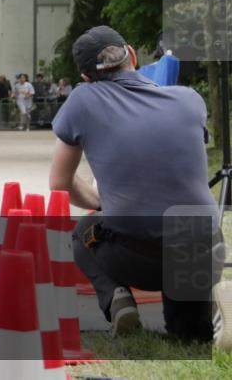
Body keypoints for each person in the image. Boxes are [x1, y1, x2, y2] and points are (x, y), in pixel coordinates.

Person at [49, 25, 220, 342]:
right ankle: (199, 317)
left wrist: (101, 204)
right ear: (131, 54)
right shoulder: (190, 99)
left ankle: (118, 299)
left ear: (86, 77)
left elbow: (60, 183)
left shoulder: (83, 98)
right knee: (192, 337)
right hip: (199, 248)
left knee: (82, 233)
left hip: (137, 256)